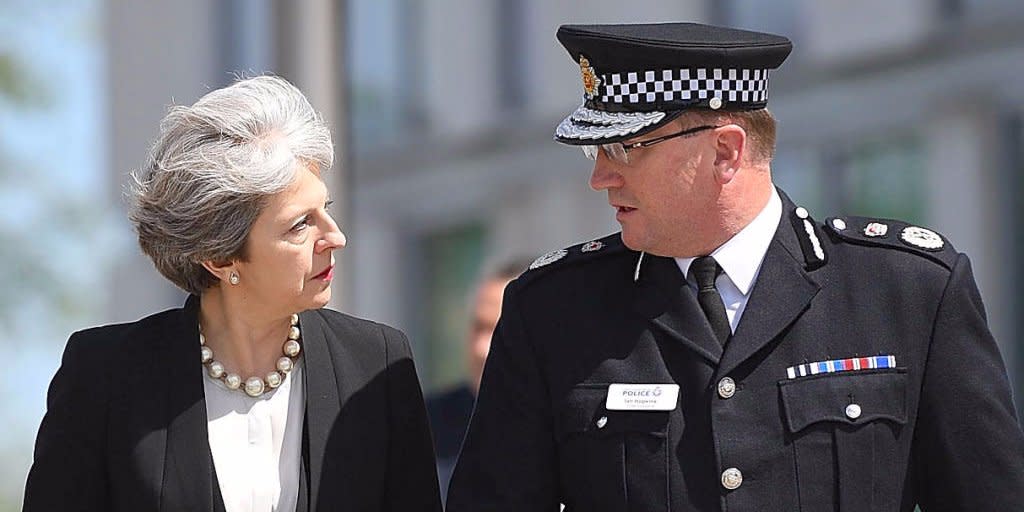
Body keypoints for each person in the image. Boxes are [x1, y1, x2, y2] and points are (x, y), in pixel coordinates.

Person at [447, 22, 1024, 511]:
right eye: (594, 152)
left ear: (725, 151)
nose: (600, 177)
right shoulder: (552, 310)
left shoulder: (907, 289)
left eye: (625, 149)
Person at [23, 76, 442, 512]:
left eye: (326, 211)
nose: (335, 237)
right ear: (220, 258)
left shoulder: (378, 363)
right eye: (301, 225)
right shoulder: (105, 375)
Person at [425, 258, 530, 504]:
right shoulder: (428, 422)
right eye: (478, 327)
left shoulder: (576, 428)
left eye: (497, 330)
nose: (481, 348)